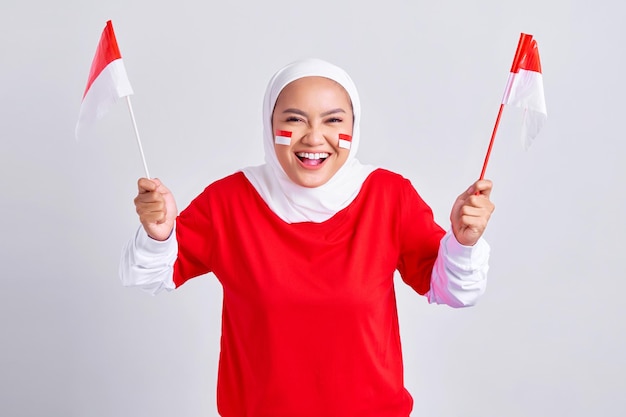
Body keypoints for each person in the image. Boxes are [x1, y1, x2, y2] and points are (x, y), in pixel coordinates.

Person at [120, 58, 495, 417]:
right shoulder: (229, 202)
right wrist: (159, 234)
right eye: (294, 120)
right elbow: (153, 276)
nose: (314, 137)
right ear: (270, 124)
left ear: (354, 124)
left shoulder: (389, 196)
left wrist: (463, 243)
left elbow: (452, 290)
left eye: (333, 120)